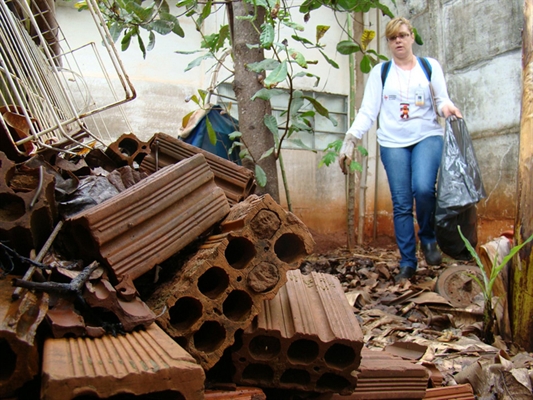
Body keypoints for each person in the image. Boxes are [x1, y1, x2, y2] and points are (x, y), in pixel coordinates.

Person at [339, 16, 462, 282]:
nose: (398, 41)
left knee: (424, 188)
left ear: (411, 37)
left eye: (403, 36)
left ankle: (428, 238)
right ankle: (408, 262)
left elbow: (441, 100)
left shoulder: (429, 67)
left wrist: (448, 108)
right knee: (402, 204)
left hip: (426, 136)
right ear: (388, 42)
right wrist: (351, 138)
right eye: (393, 37)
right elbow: (368, 111)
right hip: (393, 142)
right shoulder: (381, 72)